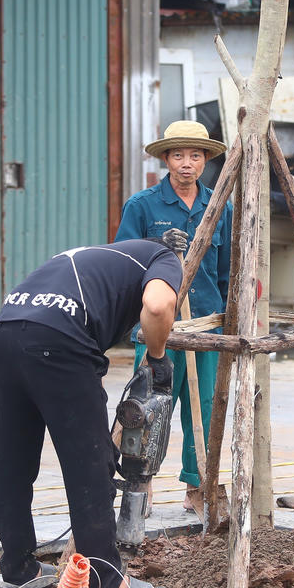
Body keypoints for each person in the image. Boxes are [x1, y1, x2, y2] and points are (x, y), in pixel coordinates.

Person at [0, 238, 182, 588]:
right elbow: (158, 307)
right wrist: (156, 358)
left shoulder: (98, 257)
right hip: (59, 340)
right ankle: (105, 581)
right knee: (89, 465)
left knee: (14, 460)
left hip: (6, 332)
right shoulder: (164, 258)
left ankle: (16, 567)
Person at [114, 120, 232, 515]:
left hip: (204, 326)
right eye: (179, 155)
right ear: (166, 159)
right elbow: (122, 264)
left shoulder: (219, 206)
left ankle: (198, 488)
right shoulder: (142, 205)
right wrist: (155, 248)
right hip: (157, 328)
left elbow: (226, 269)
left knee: (206, 409)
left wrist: (228, 315)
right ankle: (139, 484)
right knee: (146, 407)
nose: (187, 163)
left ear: (206, 161)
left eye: (195, 156)